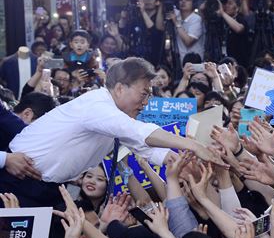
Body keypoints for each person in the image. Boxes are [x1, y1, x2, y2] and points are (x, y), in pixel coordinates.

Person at [1, 57, 221, 207]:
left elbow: (143, 146)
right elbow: (136, 131)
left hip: (44, 187)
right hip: (17, 182)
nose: (145, 103)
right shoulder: (97, 106)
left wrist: (176, 161)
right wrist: (194, 145)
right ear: (119, 88)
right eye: (143, 94)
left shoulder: (115, 115)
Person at [167, 0, 205, 65]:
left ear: (193, 4)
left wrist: (176, 22)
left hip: (194, 61)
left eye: (187, 0)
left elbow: (188, 41)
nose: (183, 1)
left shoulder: (196, 19)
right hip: (178, 60)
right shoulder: (177, 16)